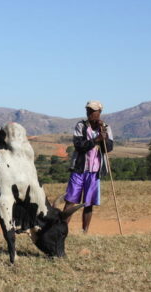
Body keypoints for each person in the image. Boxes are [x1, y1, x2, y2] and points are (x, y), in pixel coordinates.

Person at [63, 100, 113, 233]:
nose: (90, 113)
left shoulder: (106, 128)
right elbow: (78, 145)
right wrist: (96, 140)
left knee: (89, 202)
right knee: (70, 200)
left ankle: (85, 231)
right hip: (79, 169)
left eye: (93, 111)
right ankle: (62, 230)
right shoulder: (81, 126)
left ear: (99, 113)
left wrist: (105, 138)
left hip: (94, 171)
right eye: (88, 110)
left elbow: (108, 149)